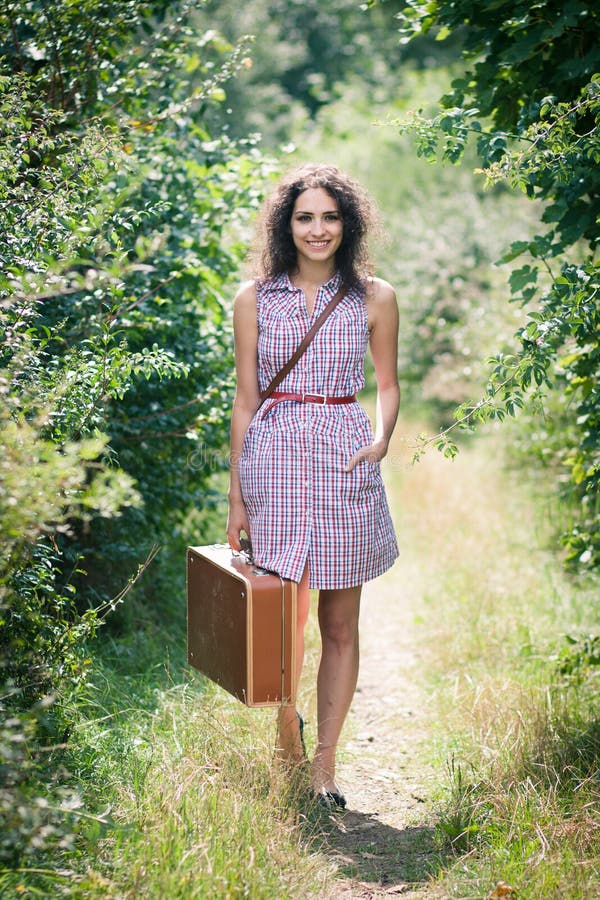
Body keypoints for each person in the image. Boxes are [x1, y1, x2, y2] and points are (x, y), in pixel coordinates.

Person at [226, 163, 399, 808]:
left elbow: (385, 384)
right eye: (305, 217)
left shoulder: (375, 296)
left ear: (347, 223)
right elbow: (244, 401)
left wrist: (381, 437)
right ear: (286, 224)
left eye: (330, 217)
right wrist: (237, 495)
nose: (318, 229)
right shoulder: (254, 298)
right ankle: (286, 746)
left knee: (340, 621)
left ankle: (324, 767)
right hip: (273, 461)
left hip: (345, 460)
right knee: (282, 621)